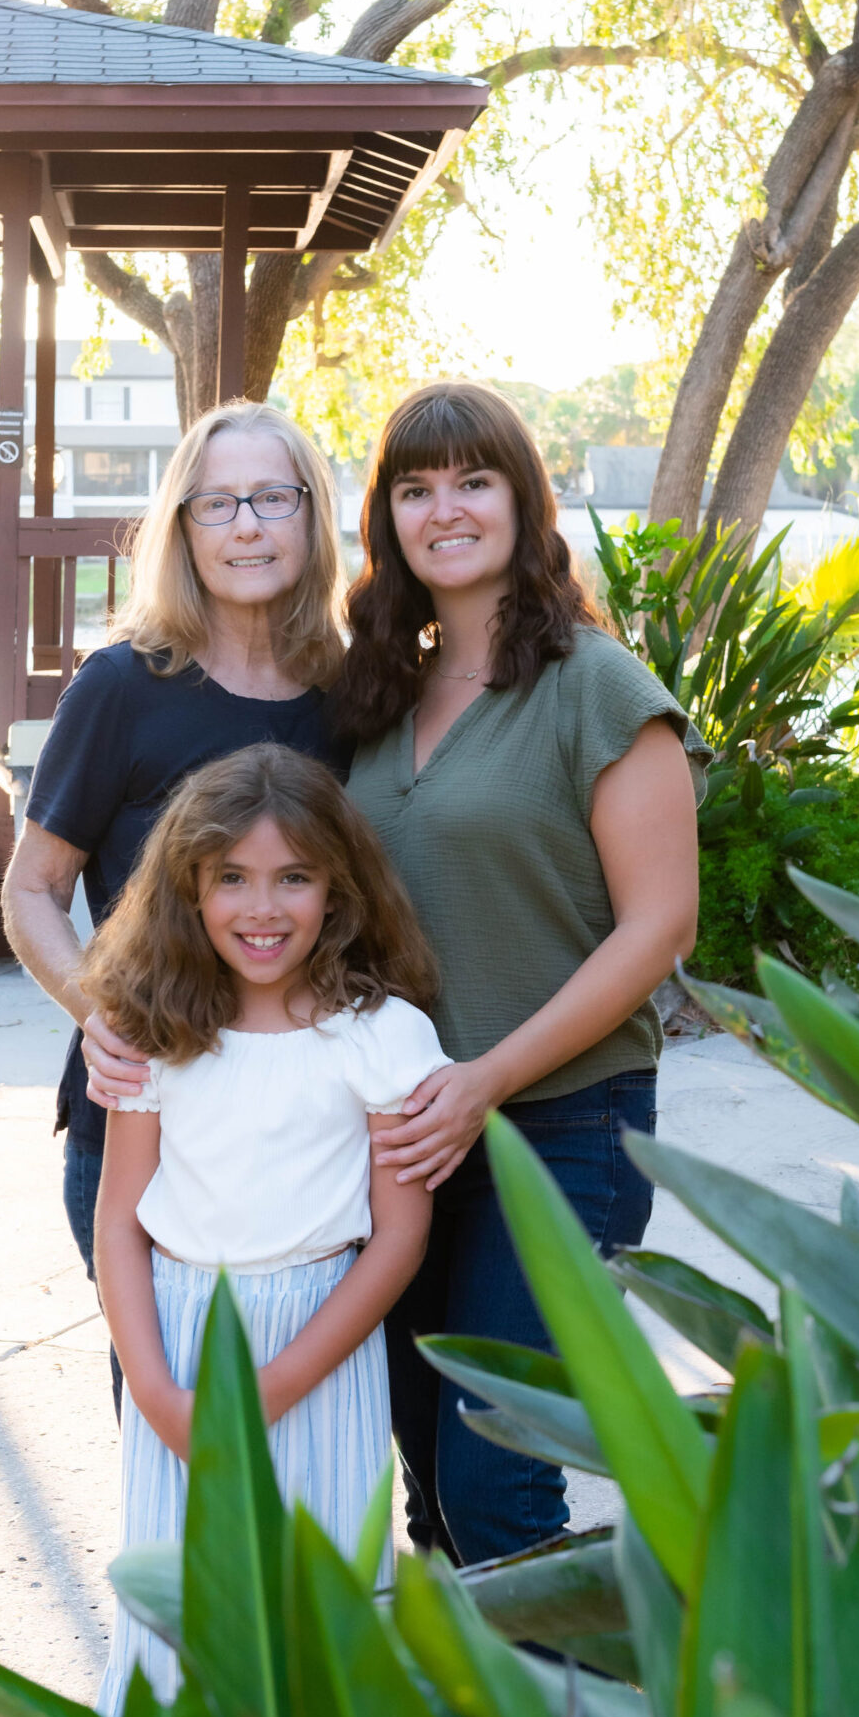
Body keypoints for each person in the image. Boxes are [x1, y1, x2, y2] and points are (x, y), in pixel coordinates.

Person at [331, 380, 700, 1567]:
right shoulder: (380, 696)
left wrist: (483, 1077)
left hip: (561, 1127)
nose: (444, 508)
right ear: (385, 517)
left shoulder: (592, 684)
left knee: (496, 1474)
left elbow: (660, 927)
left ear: (522, 500)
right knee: (426, 1476)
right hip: (401, 1138)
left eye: (472, 480)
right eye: (414, 486)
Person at [84, 743, 445, 1714]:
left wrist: (271, 1387)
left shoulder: (382, 1035)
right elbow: (118, 1221)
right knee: (184, 1606)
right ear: (187, 888)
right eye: (231, 878)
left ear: (339, 887)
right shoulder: (152, 1025)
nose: (262, 907)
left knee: (314, 1597)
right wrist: (158, 1394)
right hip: (181, 1338)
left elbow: (397, 1239)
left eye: (294, 878)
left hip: (319, 1347)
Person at [0, 402, 348, 1399]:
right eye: (217, 502)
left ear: (311, 517)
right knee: (174, 1422)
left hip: (302, 1122)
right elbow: (31, 889)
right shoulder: (119, 686)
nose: (247, 524)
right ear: (182, 527)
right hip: (148, 1116)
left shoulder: (351, 694)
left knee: (305, 1419)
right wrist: (96, 1011)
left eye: (273, 497)